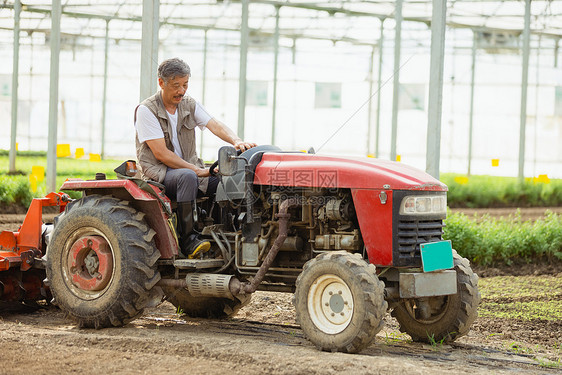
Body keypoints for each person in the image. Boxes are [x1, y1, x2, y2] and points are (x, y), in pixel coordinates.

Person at [134, 57, 257, 258]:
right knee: (187, 177)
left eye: (185, 85)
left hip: (189, 169)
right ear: (161, 83)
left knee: (224, 180)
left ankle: (227, 235)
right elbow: (161, 154)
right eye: (176, 86)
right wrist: (197, 171)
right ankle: (189, 240)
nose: (181, 91)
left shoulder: (189, 104)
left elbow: (213, 124)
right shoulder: (146, 110)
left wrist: (236, 141)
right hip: (160, 173)